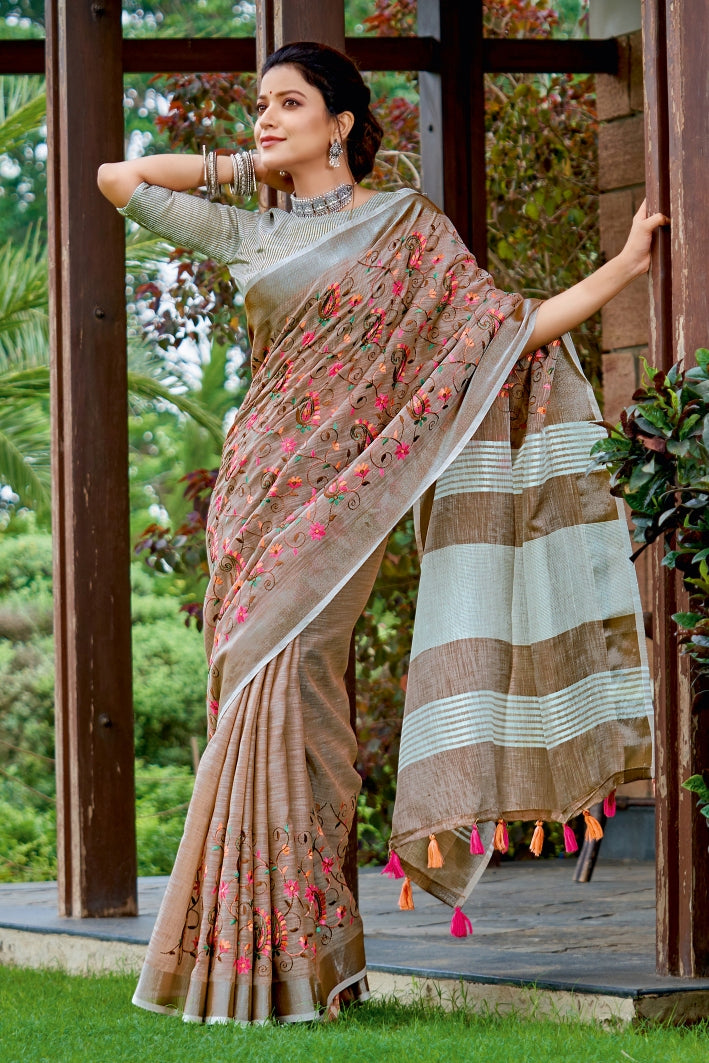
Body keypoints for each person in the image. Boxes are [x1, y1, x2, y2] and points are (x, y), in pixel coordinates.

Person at [98, 41, 665, 1025]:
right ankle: (273, 967)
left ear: (344, 122)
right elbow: (120, 178)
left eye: (288, 104)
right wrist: (252, 170)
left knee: (307, 716)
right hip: (255, 499)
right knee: (251, 707)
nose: (265, 119)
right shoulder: (252, 232)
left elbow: (506, 331)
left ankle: (298, 961)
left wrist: (620, 267)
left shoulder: (407, 232)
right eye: (260, 105)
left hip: (343, 503)